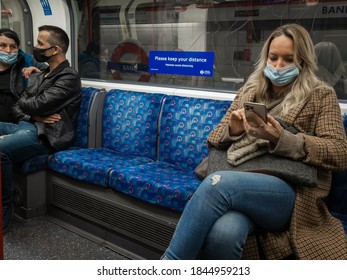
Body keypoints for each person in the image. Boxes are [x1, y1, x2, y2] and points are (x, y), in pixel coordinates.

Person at [161, 24, 347, 260]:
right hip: (242, 179)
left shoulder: (321, 95)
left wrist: (283, 139)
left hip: (290, 192)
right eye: (273, 57)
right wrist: (234, 129)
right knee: (224, 234)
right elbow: (215, 137)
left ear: (302, 61)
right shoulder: (250, 91)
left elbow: (340, 152)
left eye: (288, 59)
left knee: (216, 184)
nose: (278, 66)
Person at [0, 25, 82, 233]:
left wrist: (32, 107)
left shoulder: (69, 77)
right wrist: (34, 114)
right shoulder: (42, 73)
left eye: (40, 44)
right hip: (28, 125)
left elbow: (36, 103)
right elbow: (19, 106)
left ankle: (4, 210)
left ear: (54, 50)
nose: (35, 47)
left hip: (45, 135)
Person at [0, 28, 47, 123]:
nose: (8, 50)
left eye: (13, 47)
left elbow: (53, 74)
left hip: (20, 120)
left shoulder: (27, 61)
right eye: (3, 45)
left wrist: (38, 73)